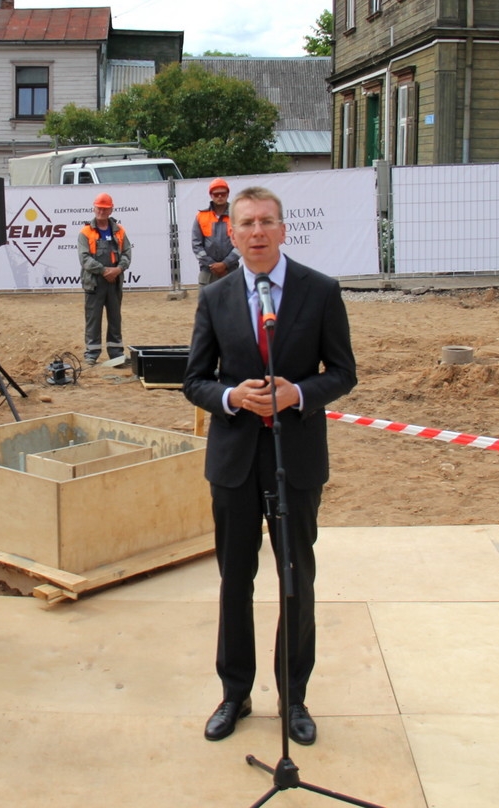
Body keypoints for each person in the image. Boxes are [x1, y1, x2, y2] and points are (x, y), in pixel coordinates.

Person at [182, 185, 356, 747]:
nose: (257, 232)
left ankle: (294, 697)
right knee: (236, 580)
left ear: (284, 230)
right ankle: (234, 693)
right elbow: (195, 380)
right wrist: (233, 398)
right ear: (230, 234)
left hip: (295, 458)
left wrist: (297, 393)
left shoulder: (320, 291)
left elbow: (343, 372)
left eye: (267, 222)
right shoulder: (215, 297)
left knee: (294, 580)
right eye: (247, 223)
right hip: (233, 460)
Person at [78, 191, 132, 364]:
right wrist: (104, 271)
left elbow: (126, 253)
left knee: (115, 318)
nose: (101, 211)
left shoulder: (120, 231)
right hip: (94, 283)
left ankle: (116, 353)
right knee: (93, 318)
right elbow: (85, 259)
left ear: (111, 210)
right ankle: (92, 354)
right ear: (94, 208)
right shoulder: (85, 232)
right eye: (99, 208)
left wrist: (118, 269)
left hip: (114, 282)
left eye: (105, 209)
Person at [192, 177, 239, 292]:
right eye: (216, 194)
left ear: (228, 194)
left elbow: (241, 244)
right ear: (211, 195)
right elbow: (196, 245)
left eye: (223, 193)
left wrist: (225, 264)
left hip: (230, 271)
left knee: (232, 308)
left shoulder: (237, 215)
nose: (219, 196)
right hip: (208, 272)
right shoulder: (201, 216)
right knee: (207, 308)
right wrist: (213, 265)